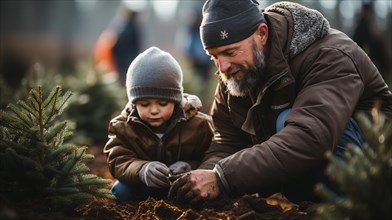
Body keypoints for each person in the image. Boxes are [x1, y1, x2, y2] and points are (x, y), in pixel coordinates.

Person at [168, 0, 392, 204]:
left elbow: (310, 137)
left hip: (374, 169)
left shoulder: (329, 55)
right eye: (214, 56)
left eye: (230, 51)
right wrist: (200, 182)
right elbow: (227, 140)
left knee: (287, 122)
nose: (222, 67)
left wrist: (223, 177)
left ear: (262, 34)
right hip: (306, 170)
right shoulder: (238, 73)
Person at [104, 47, 213, 203]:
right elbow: (118, 160)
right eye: (144, 104)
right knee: (119, 191)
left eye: (162, 103)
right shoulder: (122, 127)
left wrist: (190, 166)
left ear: (175, 100)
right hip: (143, 187)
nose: (154, 110)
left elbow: (211, 155)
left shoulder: (199, 124)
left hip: (186, 186)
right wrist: (142, 170)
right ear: (134, 103)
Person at [352, 3, 390, 82]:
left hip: (367, 49)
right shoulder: (362, 24)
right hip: (364, 50)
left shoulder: (367, 23)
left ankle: (384, 70)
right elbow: (363, 40)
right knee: (379, 45)